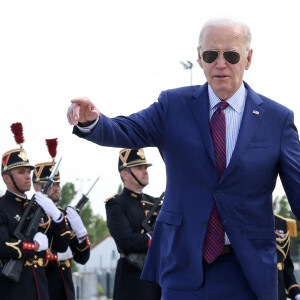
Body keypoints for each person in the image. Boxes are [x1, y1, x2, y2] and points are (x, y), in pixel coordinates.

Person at [66, 17, 300, 300]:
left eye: (232, 55)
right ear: (200, 58)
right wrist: (93, 122)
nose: (221, 63)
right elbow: (125, 129)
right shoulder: (172, 106)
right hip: (184, 266)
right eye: (212, 54)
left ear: (248, 58)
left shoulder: (277, 120)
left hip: (248, 271)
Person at [0, 123, 70, 300]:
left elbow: (61, 246)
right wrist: (34, 246)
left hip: (41, 288)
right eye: (21, 172)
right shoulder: (2, 206)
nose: (27, 176)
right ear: (7, 178)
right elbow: (2, 246)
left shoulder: (36, 207)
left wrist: (58, 217)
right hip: (14, 290)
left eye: (28, 172)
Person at [32, 138, 90, 300]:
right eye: (51, 184)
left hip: (66, 289)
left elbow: (82, 258)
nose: (56, 187)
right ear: (37, 187)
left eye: (58, 183)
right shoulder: (30, 214)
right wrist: (55, 256)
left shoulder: (66, 215)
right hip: (44, 286)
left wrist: (81, 234)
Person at [105, 148, 161, 300]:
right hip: (132, 278)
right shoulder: (116, 204)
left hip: (157, 274)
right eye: (139, 168)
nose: (145, 171)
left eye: (145, 167)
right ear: (125, 174)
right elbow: (126, 241)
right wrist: (155, 239)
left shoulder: (155, 202)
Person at [275, 214, 300, 300]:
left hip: (279, 293)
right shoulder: (239, 218)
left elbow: (285, 264)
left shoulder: (281, 222)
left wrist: (295, 292)